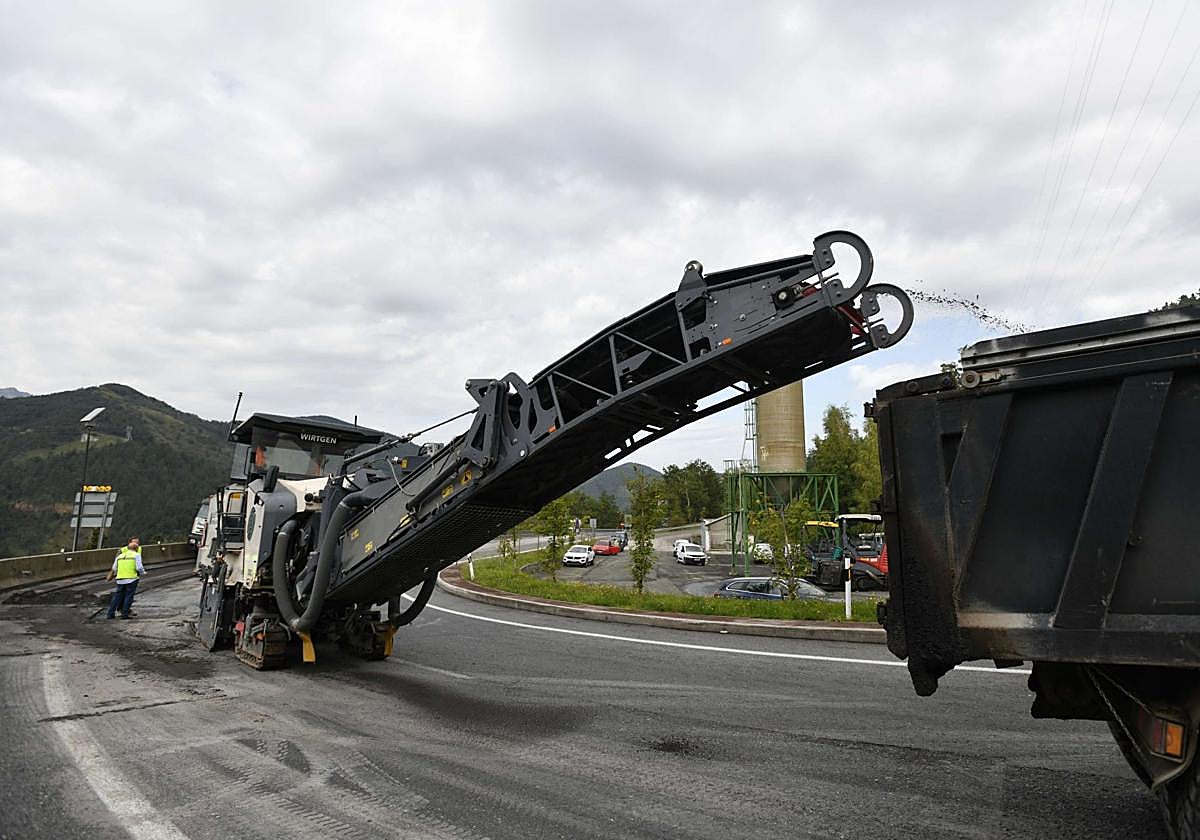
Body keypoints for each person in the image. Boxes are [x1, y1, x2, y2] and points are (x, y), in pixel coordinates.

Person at [105, 537, 145, 620]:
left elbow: (114, 568)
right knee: (129, 596)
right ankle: (125, 614)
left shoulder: (120, 556)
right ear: (136, 549)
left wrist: (112, 575)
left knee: (117, 597)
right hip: (131, 578)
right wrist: (143, 573)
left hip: (120, 579)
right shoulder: (136, 555)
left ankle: (110, 614)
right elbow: (139, 568)